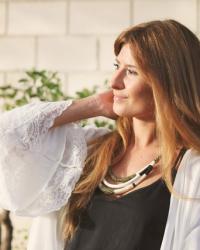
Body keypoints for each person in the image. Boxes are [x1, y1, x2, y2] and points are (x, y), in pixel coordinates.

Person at [0, 19, 200, 250]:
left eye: (132, 72)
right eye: (117, 67)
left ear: (168, 81)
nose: (114, 82)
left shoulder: (192, 171)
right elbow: (7, 137)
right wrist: (93, 105)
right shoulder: (90, 150)